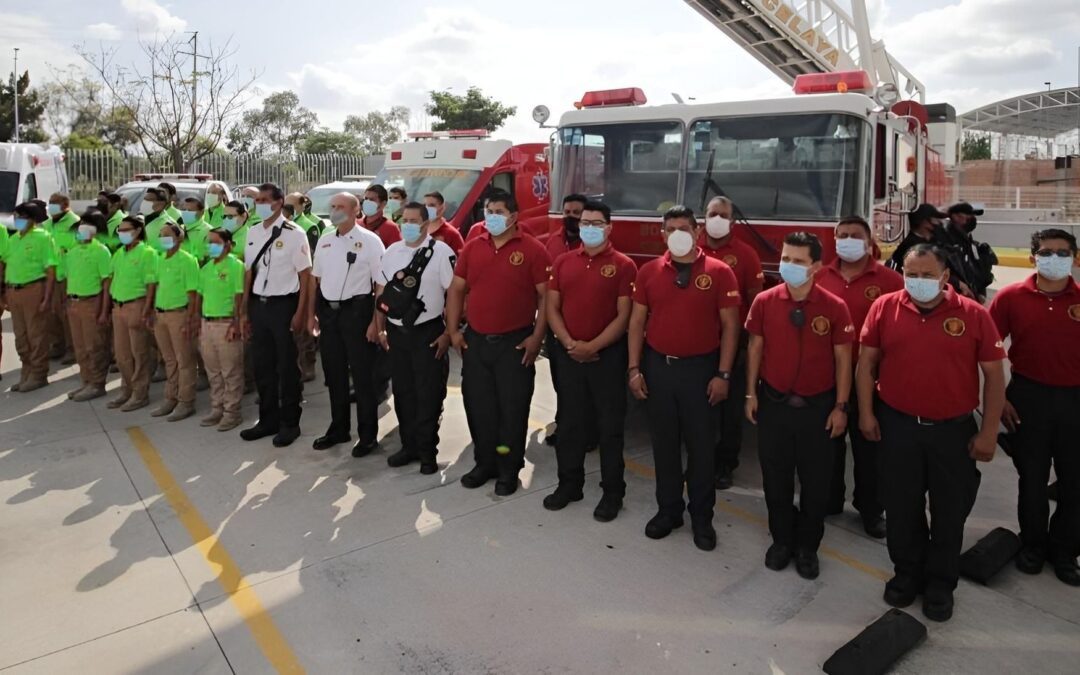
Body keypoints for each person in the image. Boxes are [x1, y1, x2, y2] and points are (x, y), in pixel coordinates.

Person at [857, 243, 1006, 622]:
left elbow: (993, 375)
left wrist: (989, 432)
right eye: (911, 274)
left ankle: (941, 583)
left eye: (927, 275)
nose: (918, 282)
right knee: (902, 508)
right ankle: (907, 574)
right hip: (898, 427)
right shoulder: (885, 307)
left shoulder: (973, 314)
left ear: (944, 277)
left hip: (952, 433)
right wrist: (866, 414)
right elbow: (866, 364)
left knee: (949, 512)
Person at [628, 205, 740, 550]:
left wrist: (723, 374)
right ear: (662, 234)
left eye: (684, 227)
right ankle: (669, 511)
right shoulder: (649, 272)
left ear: (697, 231)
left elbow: (730, 326)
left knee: (702, 449)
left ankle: (702, 518)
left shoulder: (720, 272)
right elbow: (636, 323)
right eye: (670, 228)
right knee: (664, 446)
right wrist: (634, 369)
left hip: (701, 372)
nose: (677, 233)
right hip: (659, 368)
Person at [745, 232, 854, 578]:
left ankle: (808, 547)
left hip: (818, 410)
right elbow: (755, 350)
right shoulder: (764, 301)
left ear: (816, 267)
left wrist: (841, 407)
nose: (789, 266)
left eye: (798, 261)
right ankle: (781, 541)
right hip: (774, 405)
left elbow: (843, 360)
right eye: (786, 259)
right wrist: (750, 393)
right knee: (775, 479)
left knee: (816, 483)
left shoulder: (834, 307)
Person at [988, 229, 1080, 586]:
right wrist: (1001, 400)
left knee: (1074, 484)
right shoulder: (1011, 297)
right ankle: (1033, 547)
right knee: (1032, 480)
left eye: (1062, 252)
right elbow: (988, 352)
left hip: (1076, 400)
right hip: (1028, 398)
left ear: (1074, 257)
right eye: (1046, 252)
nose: (1053, 258)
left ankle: (1065, 552)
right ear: (1032, 258)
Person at [447, 192, 549, 496]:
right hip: (476, 343)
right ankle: (485, 463)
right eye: (488, 210)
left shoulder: (533, 250)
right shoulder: (473, 247)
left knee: (512, 410)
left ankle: (508, 470)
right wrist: (453, 330)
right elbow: (456, 289)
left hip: (515, 344)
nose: (492, 216)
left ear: (514, 216)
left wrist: (537, 337)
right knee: (479, 407)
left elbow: (546, 298)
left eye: (499, 211)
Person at [545, 200, 635, 521]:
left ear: (609, 228)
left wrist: (593, 345)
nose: (589, 228)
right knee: (569, 425)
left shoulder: (624, 266)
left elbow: (624, 316)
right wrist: (570, 343)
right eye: (585, 222)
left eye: (597, 223)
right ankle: (570, 484)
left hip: (606, 357)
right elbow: (552, 308)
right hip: (568, 355)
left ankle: (613, 493)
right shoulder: (563, 263)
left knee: (609, 429)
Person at [817, 216, 904, 538]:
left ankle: (870, 509)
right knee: (829, 445)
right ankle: (830, 500)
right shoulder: (820, 276)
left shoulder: (890, 280)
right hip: (828, 378)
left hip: (872, 380)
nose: (847, 240)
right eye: (841, 235)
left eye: (854, 235)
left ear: (869, 241)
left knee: (870, 448)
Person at [374, 201, 456, 473]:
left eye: (413, 220)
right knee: (404, 392)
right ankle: (408, 446)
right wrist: (381, 326)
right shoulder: (391, 252)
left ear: (424, 223)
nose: (406, 225)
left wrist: (448, 332)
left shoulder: (441, 252)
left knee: (429, 393)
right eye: (403, 220)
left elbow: (455, 295)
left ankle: (427, 451)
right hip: (398, 333)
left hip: (428, 332)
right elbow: (381, 293)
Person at [306, 192, 385, 455]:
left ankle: (368, 436)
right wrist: (312, 314)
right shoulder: (326, 241)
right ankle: (339, 428)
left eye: (340, 206)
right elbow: (316, 280)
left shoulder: (370, 241)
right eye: (332, 206)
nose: (335, 210)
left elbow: (380, 285)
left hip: (358, 311)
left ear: (355, 210)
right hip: (329, 313)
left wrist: (377, 322)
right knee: (334, 374)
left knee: (362, 377)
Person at [240, 183, 312, 447]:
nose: (258, 204)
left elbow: (306, 276)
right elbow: (249, 272)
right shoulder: (253, 232)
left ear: (279, 202)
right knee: (262, 365)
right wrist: (245, 310)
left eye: (264, 200)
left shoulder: (295, 234)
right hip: (260, 305)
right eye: (256, 199)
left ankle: (290, 423)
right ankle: (267, 420)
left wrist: (301, 313)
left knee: (287, 366)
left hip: (285, 305)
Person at [700, 196, 764, 490]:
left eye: (723, 215)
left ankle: (726, 463)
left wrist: (748, 346)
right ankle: (701, 459)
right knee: (698, 409)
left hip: (734, 347)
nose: (717, 219)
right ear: (703, 217)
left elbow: (755, 303)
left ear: (733, 221)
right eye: (712, 213)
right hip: (698, 346)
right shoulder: (689, 248)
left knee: (729, 411)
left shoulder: (746, 254)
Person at [2, 202, 58, 392]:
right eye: (16, 217)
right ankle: (26, 371)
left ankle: (39, 374)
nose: (17, 221)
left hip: (33, 289)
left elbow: (51, 269)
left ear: (32, 220)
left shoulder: (43, 238)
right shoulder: (14, 239)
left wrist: (47, 298)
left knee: (37, 334)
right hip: (14, 291)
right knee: (21, 336)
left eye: (22, 217)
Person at [195, 228, 246, 431]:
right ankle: (217, 408)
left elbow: (239, 297)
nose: (211, 246)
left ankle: (232, 412)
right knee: (213, 371)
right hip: (207, 324)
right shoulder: (206, 268)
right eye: (209, 242)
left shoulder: (236, 266)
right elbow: (200, 296)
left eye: (215, 242)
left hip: (226, 324)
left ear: (227, 244)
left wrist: (236, 322)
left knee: (231, 371)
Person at [106, 215, 159, 411]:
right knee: (122, 355)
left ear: (137, 231)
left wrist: (146, 310)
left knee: (139, 353)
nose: (122, 233)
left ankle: (139, 393)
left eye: (126, 230)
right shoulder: (119, 253)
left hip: (136, 306)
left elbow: (151, 283)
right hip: (118, 307)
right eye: (120, 230)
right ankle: (126, 389)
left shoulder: (147, 253)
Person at [150, 222, 200, 421]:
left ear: (179, 237)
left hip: (179, 315)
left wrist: (191, 319)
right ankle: (170, 398)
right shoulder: (159, 259)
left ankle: (186, 401)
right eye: (161, 234)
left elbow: (193, 294)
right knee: (169, 359)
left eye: (167, 234)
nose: (163, 238)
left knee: (184, 360)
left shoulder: (187, 260)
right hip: (161, 315)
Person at [63, 211, 113, 401]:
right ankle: (86, 381)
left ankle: (97, 384)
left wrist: (102, 311)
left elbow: (105, 284)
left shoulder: (101, 251)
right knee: (81, 347)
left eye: (86, 224)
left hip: (92, 302)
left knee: (95, 346)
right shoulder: (73, 251)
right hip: (74, 302)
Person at [44, 193, 80, 364]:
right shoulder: (46, 224)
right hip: (49, 275)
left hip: (67, 275)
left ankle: (72, 349)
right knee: (52, 313)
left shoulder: (75, 223)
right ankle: (56, 345)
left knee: (66, 314)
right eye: (50, 203)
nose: (51, 206)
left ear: (66, 204)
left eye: (55, 203)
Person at [944, 202, 996, 302]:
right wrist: (958, 284)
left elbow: (975, 270)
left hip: (971, 299)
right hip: (955, 299)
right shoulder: (945, 241)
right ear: (956, 217)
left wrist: (980, 292)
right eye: (969, 216)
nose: (973, 219)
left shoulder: (967, 239)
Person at [422, 191, 465, 255]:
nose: (426, 208)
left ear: (442, 208)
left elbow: (460, 262)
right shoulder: (417, 230)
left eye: (431, 205)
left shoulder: (452, 234)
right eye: (424, 205)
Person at [361, 184, 403, 249]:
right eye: (366, 198)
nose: (367, 202)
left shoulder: (391, 228)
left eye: (372, 199)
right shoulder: (357, 223)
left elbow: (397, 254)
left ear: (383, 204)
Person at [179, 197, 211, 264]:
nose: (186, 212)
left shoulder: (208, 231)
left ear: (202, 212)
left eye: (190, 211)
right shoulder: (178, 229)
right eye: (184, 210)